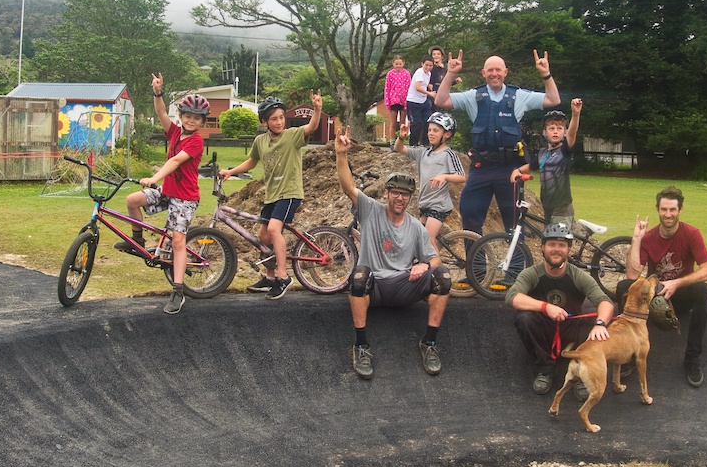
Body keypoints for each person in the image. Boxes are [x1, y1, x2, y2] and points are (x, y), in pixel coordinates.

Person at [335, 125, 453, 380]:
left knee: (442, 276)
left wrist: (425, 265)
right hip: (374, 286)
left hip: (403, 287)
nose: (400, 198)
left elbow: (435, 259)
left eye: (405, 195)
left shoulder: (415, 227)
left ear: (410, 198)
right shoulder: (370, 210)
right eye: (396, 193)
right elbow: (348, 188)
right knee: (358, 276)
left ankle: (429, 343)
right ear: (386, 193)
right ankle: (361, 346)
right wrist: (341, 156)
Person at [435, 49, 561, 235]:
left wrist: (545, 74)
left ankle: (516, 264)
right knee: (469, 216)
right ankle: (476, 264)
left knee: (514, 223)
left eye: (498, 70)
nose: (494, 73)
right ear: (484, 73)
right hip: (481, 168)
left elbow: (553, 99)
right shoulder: (473, 96)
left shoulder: (518, 95)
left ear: (505, 72)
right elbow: (441, 100)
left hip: (509, 169)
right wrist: (451, 73)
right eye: (490, 70)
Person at [114, 73, 208, 315]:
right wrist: (158, 92)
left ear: (202, 122)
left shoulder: (196, 142)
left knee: (178, 242)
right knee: (132, 200)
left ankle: (178, 291)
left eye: (196, 118)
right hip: (168, 191)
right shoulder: (175, 132)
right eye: (187, 116)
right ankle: (138, 240)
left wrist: (154, 178)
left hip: (185, 197)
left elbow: (177, 160)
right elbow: (161, 114)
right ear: (182, 116)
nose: (190, 120)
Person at [219, 91, 323, 300]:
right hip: (272, 195)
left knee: (275, 230)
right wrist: (230, 172)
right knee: (263, 237)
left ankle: (284, 277)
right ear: (265, 121)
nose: (279, 122)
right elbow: (252, 162)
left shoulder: (292, 136)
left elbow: (311, 127)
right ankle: (270, 276)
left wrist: (317, 108)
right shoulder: (260, 141)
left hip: (290, 192)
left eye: (281, 118)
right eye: (274, 119)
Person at [616, 186, 707, 387]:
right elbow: (632, 275)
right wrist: (636, 239)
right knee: (623, 286)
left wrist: (677, 282)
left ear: (680, 210)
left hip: (680, 293)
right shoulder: (649, 237)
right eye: (664, 210)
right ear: (658, 210)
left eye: (672, 210)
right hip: (655, 295)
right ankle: (629, 354)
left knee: (703, 290)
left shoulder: (692, 234)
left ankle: (692, 358)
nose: (668, 214)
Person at [505, 223, 615, 401]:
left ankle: (581, 373)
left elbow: (606, 303)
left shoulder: (577, 275)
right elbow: (512, 297)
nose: (556, 249)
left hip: (570, 329)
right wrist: (545, 307)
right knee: (524, 317)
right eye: (552, 244)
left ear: (568, 249)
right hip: (544, 328)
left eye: (562, 245)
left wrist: (601, 324)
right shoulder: (531, 273)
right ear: (542, 248)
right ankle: (546, 369)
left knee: (594, 322)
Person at [392, 111, 466, 255]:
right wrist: (401, 137)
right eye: (429, 130)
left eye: (436, 131)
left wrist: (444, 176)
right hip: (425, 203)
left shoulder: (448, 154)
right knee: (417, 239)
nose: (431, 133)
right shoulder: (423, 152)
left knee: (428, 239)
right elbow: (399, 148)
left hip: (439, 205)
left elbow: (461, 177)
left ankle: (438, 273)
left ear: (447, 135)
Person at [511, 98, 582, 228]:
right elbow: (530, 167)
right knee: (549, 242)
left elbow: (572, 134)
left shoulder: (565, 150)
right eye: (552, 128)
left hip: (562, 206)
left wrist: (575, 114)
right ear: (545, 132)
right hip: (547, 205)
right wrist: (517, 171)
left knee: (559, 242)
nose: (555, 131)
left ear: (564, 132)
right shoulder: (542, 153)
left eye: (559, 128)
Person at [406, 55, 436, 147]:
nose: (428, 67)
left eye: (430, 66)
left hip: (423, 101)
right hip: (413, 102)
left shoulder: (429, 74)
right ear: (422, 64)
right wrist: (429, 93)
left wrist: (428, 87)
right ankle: (413, 145)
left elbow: (423, 84)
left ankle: (426, 144)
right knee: (416, 124)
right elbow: (418, 87)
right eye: (426, 65)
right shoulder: (419, 72)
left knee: (428, 121)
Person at [383, 54, 411, 145]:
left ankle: (401, 141)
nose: (398, 66)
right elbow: (387, 88)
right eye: (396, 64)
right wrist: (387, 101)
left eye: (400, 64)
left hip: (404, 100)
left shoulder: (406, 73)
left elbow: (409, 87)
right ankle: (392, 141)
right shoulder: (390, 74)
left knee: (402, 122)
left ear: (403, 63)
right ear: (393, 64)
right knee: (393, 123)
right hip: (394, 100)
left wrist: (408, 101)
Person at [426, 45, 461, 113]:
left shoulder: (444, 70)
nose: (436, 56)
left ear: (442, 57)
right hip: (430, 95)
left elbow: (445, 83)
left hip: (440, 95)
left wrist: (455, 82)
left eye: (438, 54)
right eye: (434, 54)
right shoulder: (429, 68)